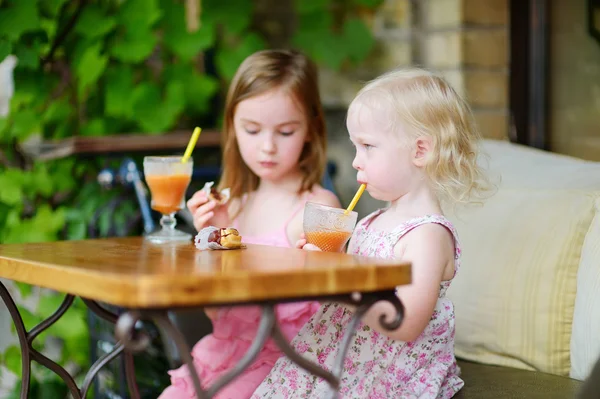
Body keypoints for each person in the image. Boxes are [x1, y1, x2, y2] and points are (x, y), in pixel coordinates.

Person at [250, 68, 492, 398]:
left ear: (420, 151)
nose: (355, 162)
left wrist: (337, 283)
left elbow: (405, 324)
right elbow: (358, 276)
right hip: (343, 359)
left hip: (385, 374)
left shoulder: (427, 236)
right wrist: (329, 261)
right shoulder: (371, 220)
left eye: (367, 146)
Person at [158, 49, 340, 399]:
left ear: (310, 129)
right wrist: (214, 238)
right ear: (233, 129)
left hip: (287, 367)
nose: (267, 147)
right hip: (222, 355)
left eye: (285, 131)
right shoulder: (233, 205)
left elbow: (331, 316)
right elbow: (218, 313)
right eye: (252, 130)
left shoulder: (317, 209)